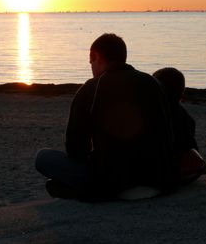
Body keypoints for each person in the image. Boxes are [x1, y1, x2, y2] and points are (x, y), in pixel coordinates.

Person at [36, 33, 179, 200]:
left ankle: (82, 191)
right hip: (160, 181)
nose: (92, 69)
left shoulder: (91, 88)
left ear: (96, 56)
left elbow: (76, 150)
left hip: (113, 185)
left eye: (91, 63)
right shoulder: (154, 83)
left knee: (43, 157)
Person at [153, 67, 205, 184]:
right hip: (184, 170)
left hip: (169, 170)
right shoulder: (186, 117)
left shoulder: (154, 113)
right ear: (182, 92)